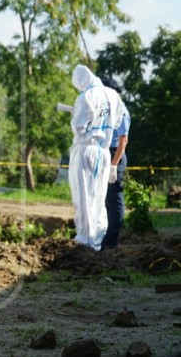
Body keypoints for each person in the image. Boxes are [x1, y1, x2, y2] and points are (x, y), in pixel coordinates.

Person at [68, 65, 124, 251]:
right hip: (104, 151)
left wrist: (75, 115)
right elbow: (116, 122)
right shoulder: (113, 96)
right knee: (99, 197)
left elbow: (79, 128)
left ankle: (85, 240)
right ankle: (98, 240)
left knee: (84, 195)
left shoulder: (85, 97)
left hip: (85, 150)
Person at [100, 77, 131, 249]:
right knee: (105, 200)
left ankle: (111, 243)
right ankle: (104, 238)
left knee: (114, 199)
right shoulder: (106, 110)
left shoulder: (122, 111)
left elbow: (123, 141)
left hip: (115, 155)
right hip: (105, 153)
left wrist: (114, 165)